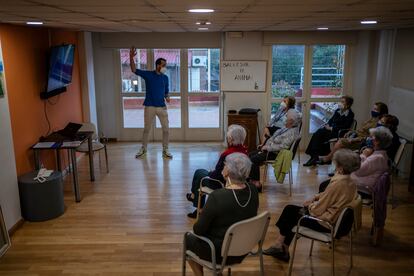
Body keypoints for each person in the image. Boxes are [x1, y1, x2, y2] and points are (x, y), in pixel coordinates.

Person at [263, 149, 360, 262]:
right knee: (290, 211)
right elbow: (328, 197)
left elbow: (318, 210)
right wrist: (315, 198)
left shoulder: (337, 184)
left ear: (341, 168)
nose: (334, 165)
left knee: (290, 213)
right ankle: (280, 246)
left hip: (326, 223)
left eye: (336, 163)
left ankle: (280, 247)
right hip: (334, 219)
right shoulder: (350, 182)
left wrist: (309, 205)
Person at [184, 153, 259, 276]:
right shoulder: (253, 190)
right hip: (244, 248)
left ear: (227, 171)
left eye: (224, 165)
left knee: (188, 239)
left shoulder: (217, 196)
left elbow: (198, 230)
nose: (222, 168)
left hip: (220, 253)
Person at [186, 125, 248, 218]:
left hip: (221, 184)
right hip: (238, 183)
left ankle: (198, 206)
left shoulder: (227, 154)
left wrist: (211, 173)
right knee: (201, 173)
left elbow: (216, 176)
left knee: (199, 173)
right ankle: (193, 196)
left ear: (231, 138)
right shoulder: (245, 152)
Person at [129, 47, 172, 159]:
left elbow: (166, 92)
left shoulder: (165, 78)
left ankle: (165, 150)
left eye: (165, 65)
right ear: (158, 65)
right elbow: (134, 70)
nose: (165, 67)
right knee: (147, 129)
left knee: (166, 129)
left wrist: (167, 97)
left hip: (162, 107)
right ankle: (143, 149)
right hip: (150, 107)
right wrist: (131, 57)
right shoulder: (148, 75)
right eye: (163, 65)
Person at [319, 102, 388, 164]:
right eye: (373, 108)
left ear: (381, 112)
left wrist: (354, 139)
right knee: (336, 141)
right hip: (355, 136)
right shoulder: (372, 118)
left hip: (360, 141)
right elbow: (361, 129)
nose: (373, 111)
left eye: (376, 109)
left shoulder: (377, 124)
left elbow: (369, 137)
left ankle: (328, 158)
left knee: (341, 141)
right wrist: (351, 131)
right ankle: (334, 161)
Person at [249, 112, 300, 191]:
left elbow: (283, 146)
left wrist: (268, 148)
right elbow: (274, 137)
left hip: (277, 153)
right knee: (249, 155)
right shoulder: (287, 127)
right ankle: (251, 180)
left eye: (287, 118)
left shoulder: (292, 132)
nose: (285, 119)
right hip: (271, 150)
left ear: (292, 121)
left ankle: (256, 184)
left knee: (253, 159)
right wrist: (264, 145)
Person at [304, 95, 355, 166]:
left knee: (319, 135)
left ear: (348, 104)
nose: (340, 103)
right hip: (330, 130)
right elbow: (331, 120)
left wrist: (332, 128)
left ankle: (314, 157)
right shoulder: (338, 111)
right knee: (317, 133)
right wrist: (328, 125)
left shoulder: (350, 114)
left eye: (343, 102)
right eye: (341, 101)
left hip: (338, 133)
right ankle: (314, 156)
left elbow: (345, 126)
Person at [351, 126, 393, 196]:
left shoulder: (377, 158)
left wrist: (363, 155)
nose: (368, 139)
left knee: (339, 179)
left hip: (364, 189)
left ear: (377, 142)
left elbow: (358, 171)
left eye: (371, 137)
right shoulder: (382, 154)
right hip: (365, 183)